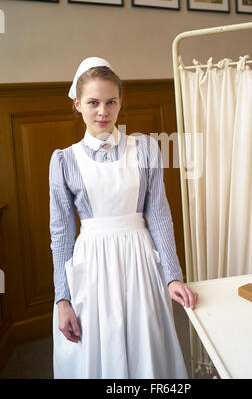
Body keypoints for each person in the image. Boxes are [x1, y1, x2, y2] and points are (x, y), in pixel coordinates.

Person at [50, 57, 198, 379]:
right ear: (77, 104)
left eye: (110, 102)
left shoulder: (145, 148)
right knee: (100, 350)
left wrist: (172, 274)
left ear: (120, 102)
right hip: (92, 265)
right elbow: (61, 233)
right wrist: (62, 298)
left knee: (147, 348)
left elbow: (158, 215)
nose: (103, 111)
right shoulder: (64, 161)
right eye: (93, 102)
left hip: (140, 261)